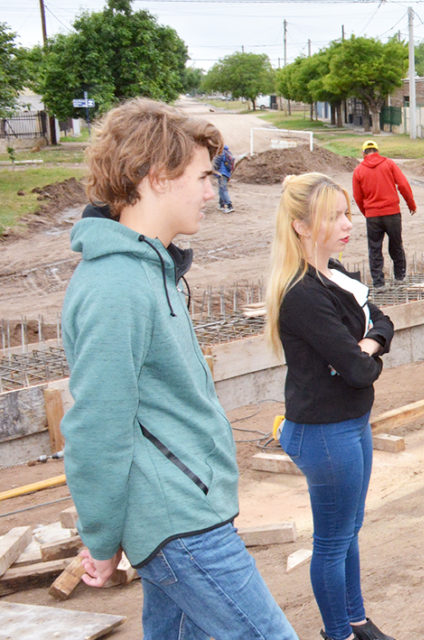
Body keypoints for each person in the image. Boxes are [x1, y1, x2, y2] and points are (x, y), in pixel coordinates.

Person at [60, 97, 297, 639]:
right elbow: (97, 425)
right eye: (202, 177)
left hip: (185, 506)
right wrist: (100, 536)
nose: (213, 191)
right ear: (156, 177)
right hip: (179, 520)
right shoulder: (117, 286)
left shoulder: (151, 271)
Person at [265, 173, 397, 640]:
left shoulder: (335, 273)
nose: (348, 222)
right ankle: (337, 633)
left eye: (347, 212)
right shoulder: (303, 293)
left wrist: (368, 344)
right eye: (335, 215)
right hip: (324, 431)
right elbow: (359, 370)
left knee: (349, 531)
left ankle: (356, 620)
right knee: (333, 541)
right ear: (301, 226)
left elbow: (382, 321)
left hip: (351, 421)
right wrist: (366, 354)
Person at [352, 140, 416, 288]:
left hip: (373, 216)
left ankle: (379, 284)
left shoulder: (359, 170)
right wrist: (411, 204)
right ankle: (400, 278)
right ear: (377, 151)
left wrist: (367, 212)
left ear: (363, 153)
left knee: (374, 249)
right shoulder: (389, 164)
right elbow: (403, 185)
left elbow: (358, 197)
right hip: (392, 213)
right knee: (396, 245)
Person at [214, 143, 235, 212]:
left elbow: (217, 163)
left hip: (221, 173)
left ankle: (229, 206)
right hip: (227, 174)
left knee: (223, 190)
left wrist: (214, 170)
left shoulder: (221, 153)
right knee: (222, 189)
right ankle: (221, 205)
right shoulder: (228, 153)